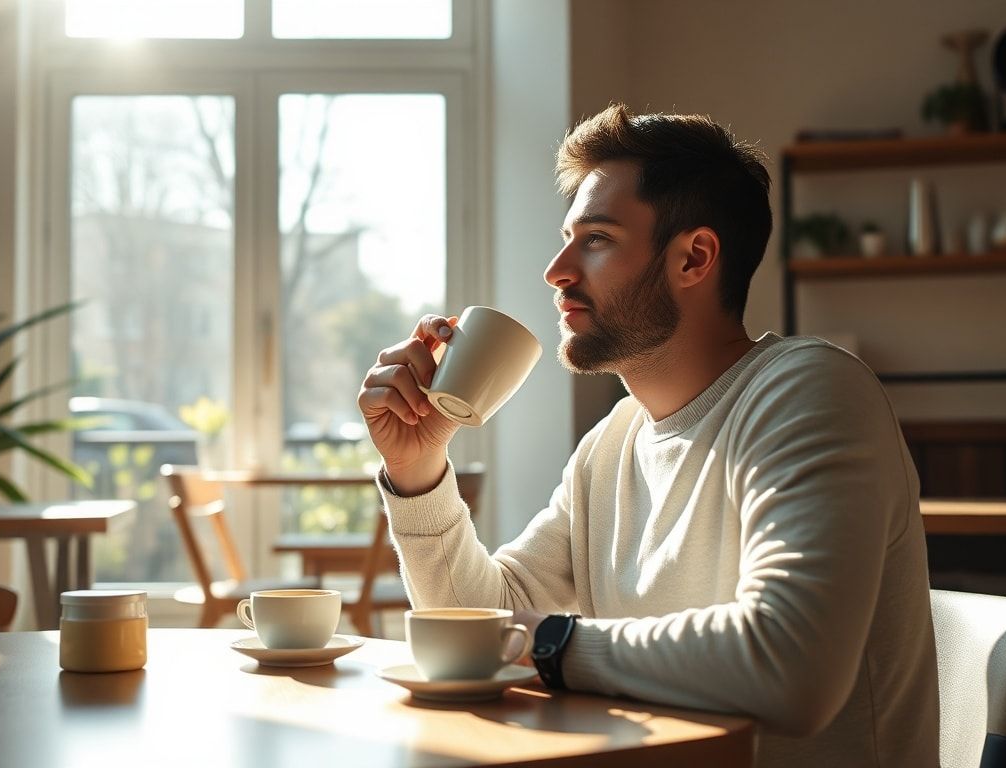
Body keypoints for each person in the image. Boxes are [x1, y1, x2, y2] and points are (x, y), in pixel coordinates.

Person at [356, 104, 938, 767]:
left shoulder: (812, 391)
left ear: (693, 257)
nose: (557, 270)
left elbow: (790, 668)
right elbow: (484, 622)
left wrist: (552, 643)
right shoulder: (614, 441)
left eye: (596, 239)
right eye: (567, 237)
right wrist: (419, 467)